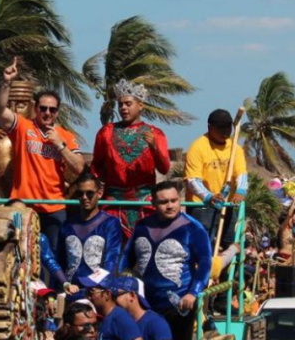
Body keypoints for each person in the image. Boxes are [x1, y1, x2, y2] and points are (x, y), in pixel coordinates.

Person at [123, 181, 212, 340]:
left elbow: (206, 263)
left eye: (174, 201)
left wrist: (193, 292)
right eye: (163, 202)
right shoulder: (142, 226)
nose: (170, 206)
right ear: (153, 203)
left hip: (178, 303)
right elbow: (126, 260)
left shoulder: (193, 228)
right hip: (146, 305)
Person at [0, 56, 84, 253]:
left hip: (55, 207)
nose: (47, 113)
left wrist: (60, 146)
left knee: (53, 255)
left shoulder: (66, 136)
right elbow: (0, 109)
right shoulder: (24, 127)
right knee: (21, 254)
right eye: (43, 108)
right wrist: (7, 82)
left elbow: (79, 167)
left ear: (57, 112)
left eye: (52, 110)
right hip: (24, 205)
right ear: (35, 108)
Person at [90, 80, 171, 236]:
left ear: (140, 105)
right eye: (120, 105)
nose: (123, 108)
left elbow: (164, 168)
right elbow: (96, 166)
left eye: (128, 104)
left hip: (145, 200)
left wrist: (154, 148)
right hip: (114, 200)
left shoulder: (155, 133)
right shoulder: (106, 132)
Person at [184, 109, 247, 250]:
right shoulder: (198, 147)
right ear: (210, 127)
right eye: (221, 128)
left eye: (228, 127)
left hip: (226, 205)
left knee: (232, 243)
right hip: (202, 206)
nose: (225, 132)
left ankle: (227, 271)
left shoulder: (235, 148)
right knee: (202, 245)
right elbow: (193, 180)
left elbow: (241, 174)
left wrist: (241, 191)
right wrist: (208, 197)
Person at [59, 173, 124, 286]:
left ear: (100, 193)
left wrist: (101, 288)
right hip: (71, 291)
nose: (84, 197)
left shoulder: (110, 223)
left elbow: (112, 260)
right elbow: (60, 261)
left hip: (98, 291)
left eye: (89, 193)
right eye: (80, 193)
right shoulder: (67, 225)